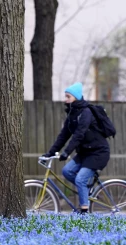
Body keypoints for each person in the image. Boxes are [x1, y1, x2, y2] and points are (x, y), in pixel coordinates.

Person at [43, 82, 110, 214]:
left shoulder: (86, 113)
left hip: (98, 153)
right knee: (67, 171)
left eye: (68, 96)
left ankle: (84, 212)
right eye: (65, 96)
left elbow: (79, 134)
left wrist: (67, 152)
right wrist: (50, 153)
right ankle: (85, 189)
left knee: (80, 179)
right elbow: (63, 136)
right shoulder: (72, 115)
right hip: (85, 153)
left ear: (76, 97)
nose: (65, 99)